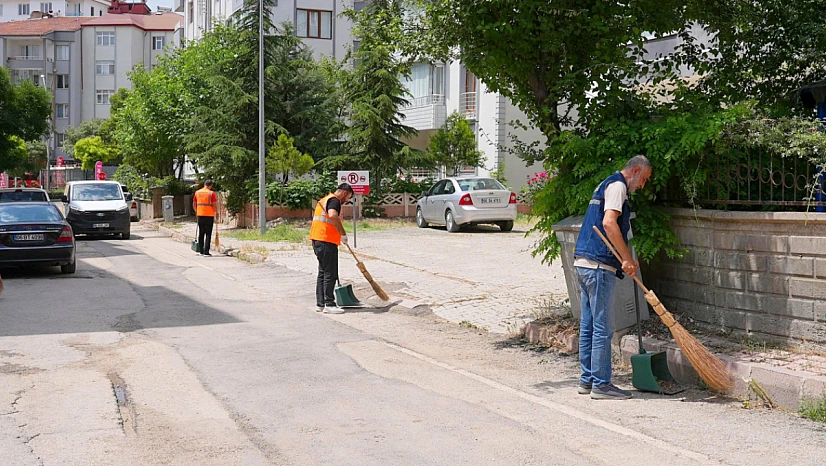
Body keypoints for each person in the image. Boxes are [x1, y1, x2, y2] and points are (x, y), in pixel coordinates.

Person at [572, 155, 653, 400]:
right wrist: (625, 258)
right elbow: (609, 224)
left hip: (583, 262)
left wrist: (626, 258)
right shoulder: (618, 186)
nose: (643, 185)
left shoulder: (605, 184)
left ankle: (587, 380)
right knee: (602, 327)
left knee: (588, 326)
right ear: (636, 170)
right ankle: (602, 385)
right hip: (598, 266)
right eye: (644, 179)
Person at [309, 183, 354, 314]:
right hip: (326, 241)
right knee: (330, 273)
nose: (348, 200)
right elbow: (333, 215)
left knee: (323, 272)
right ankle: (329, 303)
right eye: (349, 197)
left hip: (318, 239)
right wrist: (343, 234)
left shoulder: (326, 199)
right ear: (345, 192)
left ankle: (321, 304)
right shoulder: (334, 201)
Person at [193, 180, 218, 257]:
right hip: (209, 215)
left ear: (204, 184)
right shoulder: (211, 193)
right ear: (210, 185)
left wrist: (196, 211)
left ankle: (201, 251)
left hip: (200, 214)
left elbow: (194, 203)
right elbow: (214, 204)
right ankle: (206, 251)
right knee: (208, 233)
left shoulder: (197, 192)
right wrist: (216, 212)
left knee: (201, 232)